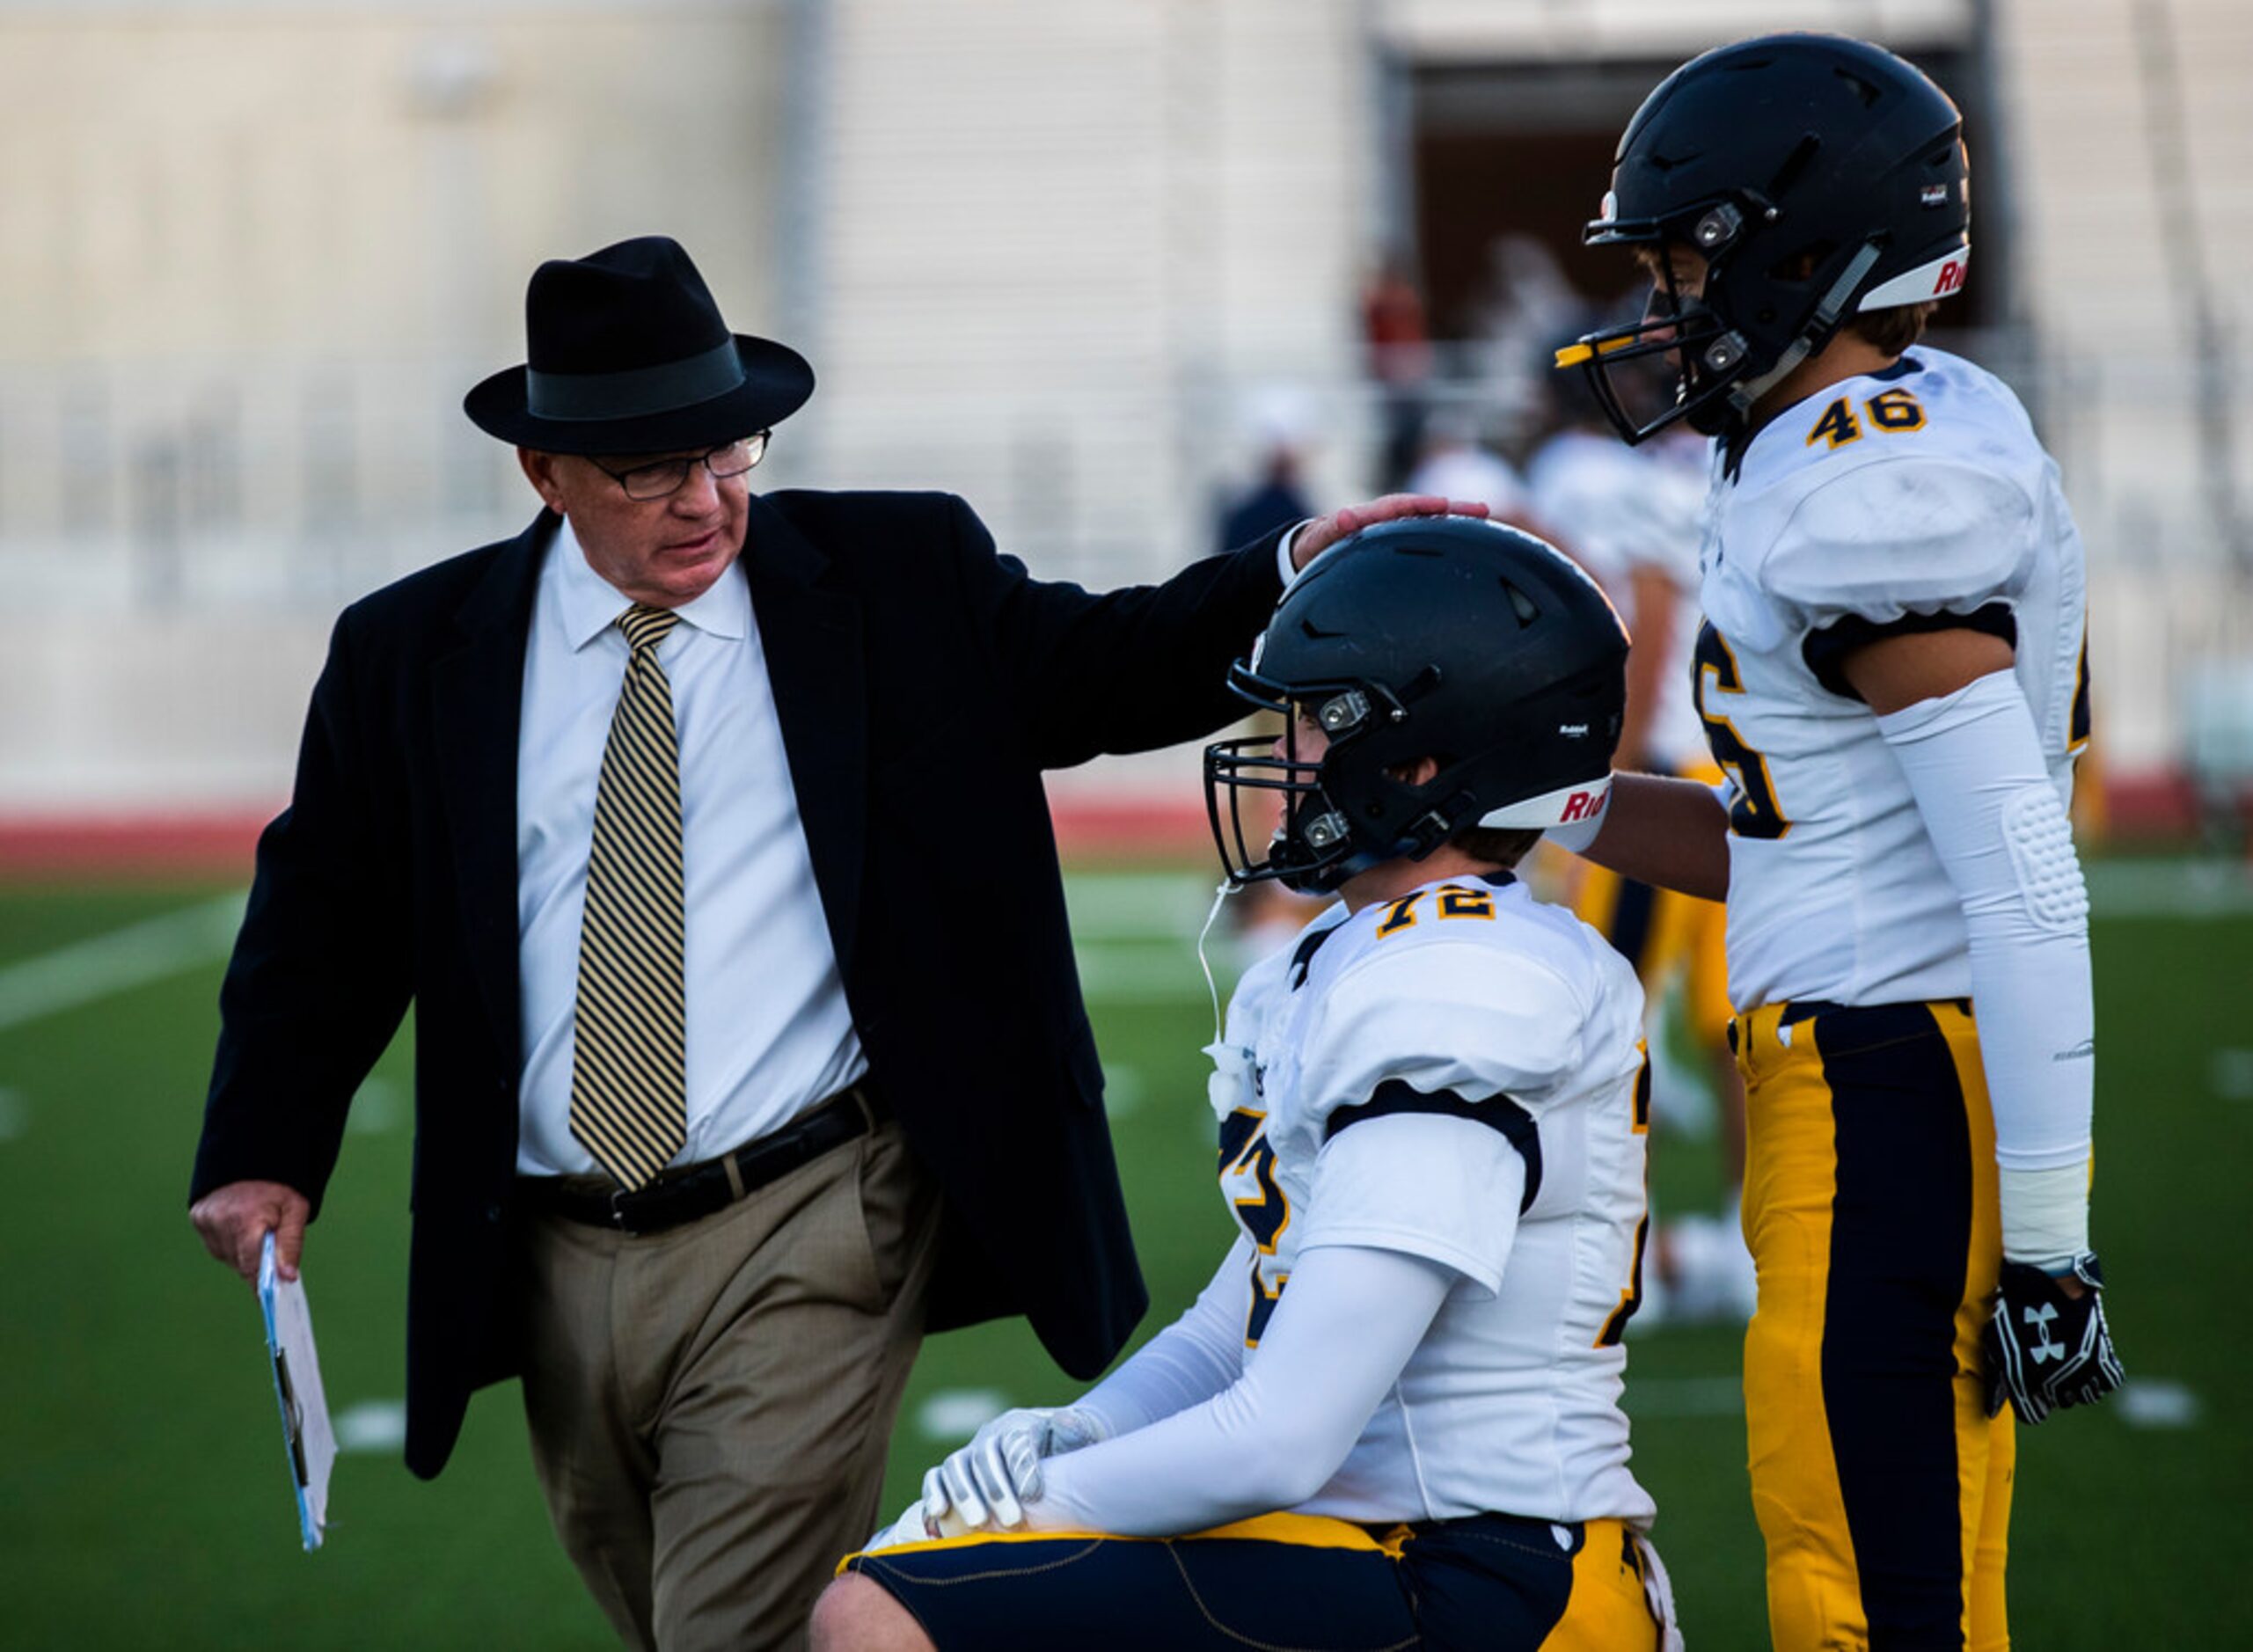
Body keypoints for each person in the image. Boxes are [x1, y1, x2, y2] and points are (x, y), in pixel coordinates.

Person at [185, 234, 1481, 1651]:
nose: (705, 499)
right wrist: (264, 1141)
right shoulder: (410, 651)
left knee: (728, 1630)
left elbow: (1102, 664)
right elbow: (326, 907)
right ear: (544, 473)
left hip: (814, 1212)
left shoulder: (895, 572)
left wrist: (1287, 565)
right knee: (672, 1613)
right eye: (649, 469)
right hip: (547, 1245)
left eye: (728, 449)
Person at [811, 518, 1682, 1651]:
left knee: (874, 1614)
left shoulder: (1457, 980)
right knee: (920, 1572)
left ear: (1420, 762)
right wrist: (1067, 1435)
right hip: (1372, 1539)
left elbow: (1285, 1435)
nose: (1287, 750)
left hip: (1480, 1570)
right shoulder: (1369, 948)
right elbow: (1242, 1322)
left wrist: (1034, 1511)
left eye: (1322, 718)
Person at [1551, 35, 2123, 1648]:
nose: (1662, 311)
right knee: (1869, 1586)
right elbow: (1808, 845)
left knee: (1874, 1607)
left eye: (1683, 268)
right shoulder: (1862, 434)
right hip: (1861, 1067)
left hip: (1888, 1091)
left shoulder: (1876, 482)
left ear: (1806, 255)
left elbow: (2015, 870)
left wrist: (2055, 1244)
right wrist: (1552, 794)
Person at [1526, 345, 1755, 1326]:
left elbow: (1647, 616)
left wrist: (1597, 782)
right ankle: (1748, 1243)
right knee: (1727, 1024)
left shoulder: (1585, 477)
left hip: (1665, 779)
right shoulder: (1711, 467)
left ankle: (1640, 1246)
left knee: (1617, 1023)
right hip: (1740, 775)